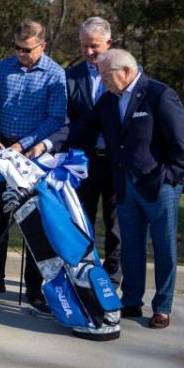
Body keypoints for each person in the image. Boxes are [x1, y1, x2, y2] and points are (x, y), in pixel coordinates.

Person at [52, 49, 184, 329]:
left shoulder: (158, 95)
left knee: (164, 248)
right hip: (125, 186)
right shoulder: (109, 99)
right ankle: (131, 300)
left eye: (106, 74)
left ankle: (162, 307)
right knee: (131, 246)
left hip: (158, 185)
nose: (102, 80)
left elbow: (182, 142)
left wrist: (170, 178)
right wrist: (46, 144)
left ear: (126, 71)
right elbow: (82, 127)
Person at [0, 20, 66, 312]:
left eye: (26, 50)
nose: (21, 54)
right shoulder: (3, 69)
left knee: (33, 222)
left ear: (42, 46)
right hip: (0, 150)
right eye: (16, 48)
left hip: (32, 155)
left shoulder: (55, 75)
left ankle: (34, 287)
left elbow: (55, 118)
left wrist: (25, 144)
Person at [63, 17, 121, 282]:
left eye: (94, 46)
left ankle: (113, 274)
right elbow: (66, 120)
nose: (88, 52)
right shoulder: (71, 76)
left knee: (116, 222)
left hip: (116, 161)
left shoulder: (126, 72)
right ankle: (83, 271)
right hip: (83, 162)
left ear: (109, 43)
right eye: (83, 46)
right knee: (80, 219)